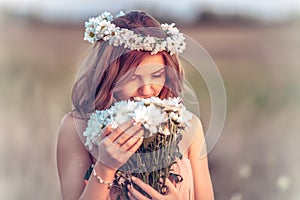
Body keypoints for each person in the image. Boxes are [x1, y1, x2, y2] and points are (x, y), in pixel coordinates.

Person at [57, 10, 214, 200]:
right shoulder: (76, 128)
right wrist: (106, 167)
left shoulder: (188, 127)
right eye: (133, 78)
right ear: (109, 76)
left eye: (156, 75)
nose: (147, 90)